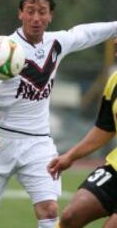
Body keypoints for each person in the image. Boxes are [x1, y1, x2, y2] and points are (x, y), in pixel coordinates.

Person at [0, 0, 117, 228]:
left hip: (38, 142)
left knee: (49, 209)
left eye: (42, 12)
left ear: (50, 16)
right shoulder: (4, 49)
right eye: (30, 12)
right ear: (20, 14)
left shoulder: (56, 43)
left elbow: (84, 33)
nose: (36, 18)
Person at [48, 70, 117, 228]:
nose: (114, 43)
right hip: (115, 168)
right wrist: (71, 156)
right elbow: (105, 128)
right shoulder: (114, 79)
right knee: (71, 215)